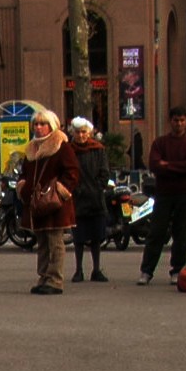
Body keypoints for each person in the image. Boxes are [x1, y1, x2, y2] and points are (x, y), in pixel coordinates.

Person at [15, 111, 80, 294]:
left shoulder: (61, 145)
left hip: (54, 203)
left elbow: (72, 172)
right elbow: (25, 173)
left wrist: (60, 191)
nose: (38, 127)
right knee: (42, 241)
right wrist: (22, 187)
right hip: (37, 203)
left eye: (42, 124)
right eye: (35, 124)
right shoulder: (32, 148)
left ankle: (55, 280)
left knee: (55, 242)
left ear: (52, 125)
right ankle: (43, 277)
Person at [137, 106, 186, 285]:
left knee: (182, 235)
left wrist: (168, 166)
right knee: (156, 233)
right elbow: (155, 165)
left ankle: (178, 270)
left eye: (182, 120)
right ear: (170, 121)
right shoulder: (160, 143)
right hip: (164, 194)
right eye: (175, 120)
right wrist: (177, 167)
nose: (178, 124)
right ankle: (147, 271)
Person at [67, 117, 110, 283]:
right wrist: (75, 190)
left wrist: (98, 187)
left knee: (96, 237)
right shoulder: (69, 150)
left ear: (89, 133)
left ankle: (96, 269)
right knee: (78, 238)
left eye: (84, 132)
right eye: (77, 132)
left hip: (95, 199)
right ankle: (78, 270)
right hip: (77, 200)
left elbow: (104, 172)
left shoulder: (98, 149)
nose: (81, 135)